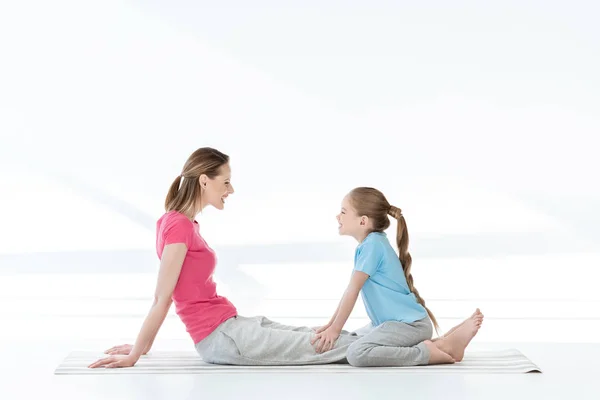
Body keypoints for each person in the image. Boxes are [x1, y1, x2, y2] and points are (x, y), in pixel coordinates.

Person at [88, 148, 479, 369]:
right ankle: (434, 350)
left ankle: (432, 343)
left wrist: (142, 346)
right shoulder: (177, 226)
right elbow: (163, 296)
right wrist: (139, 351)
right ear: (204, 180)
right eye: (225, 181)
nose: (231, 189)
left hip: (231, 324)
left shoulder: (182, 224)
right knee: (326, 347)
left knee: (320, 335)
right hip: (221, 338)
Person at [310, 187, 483, 366]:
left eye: (343, 212)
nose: (338, 216)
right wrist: (330, 327)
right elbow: (350, 290)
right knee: (350, 340)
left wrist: (335, 329)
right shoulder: (371, 244)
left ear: (363, 221)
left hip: (410, 326)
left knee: (356, 353)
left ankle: (426, 353)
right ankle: (443, 342)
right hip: (393, 324)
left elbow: (352, 291)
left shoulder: (372, 246)